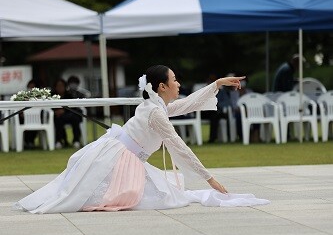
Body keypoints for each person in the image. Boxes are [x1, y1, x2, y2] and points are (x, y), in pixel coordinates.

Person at [14, 65, 269, 214]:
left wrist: (216, 84)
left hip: (125, 157)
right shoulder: (155, 111)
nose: (178, 84)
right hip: (118, 158)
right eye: (175, 80)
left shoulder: (156, 106)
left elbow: (187, 104)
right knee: (157, 197)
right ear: (161, 86)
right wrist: (209, 178)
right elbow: (178, 145)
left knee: (168, 195)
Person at [52, 78, 82, 149]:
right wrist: (55, 111)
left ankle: (76, 140)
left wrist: (64, 111)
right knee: (58, 120)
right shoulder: (52, 96)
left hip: (69, 115)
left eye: (61, 86)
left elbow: (74, 107)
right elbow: (49, 107)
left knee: (75, 119)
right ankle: (59, 141)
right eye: (58, 86)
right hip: (57, 116)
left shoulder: (69, 95)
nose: (60, 88)